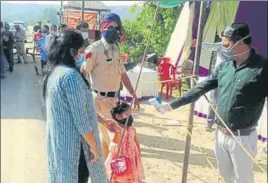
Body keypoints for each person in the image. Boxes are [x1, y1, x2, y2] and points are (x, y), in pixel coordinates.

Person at [157, 22, 268, 183]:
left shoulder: (263, 67)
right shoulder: (224, 66)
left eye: (226, 45)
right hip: (220, 135)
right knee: (224, 177)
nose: (223, 49)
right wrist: (171, 105)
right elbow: (201, 87)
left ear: (241, 42)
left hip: (242, 138)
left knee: (243, 180)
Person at [42, 30, 109, 183]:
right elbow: (81, 120)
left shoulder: (53, 72)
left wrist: (102, 120)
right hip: (75, 147)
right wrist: (93, 146)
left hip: (59, 143)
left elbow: (73, 108)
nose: (82, 56)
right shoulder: (71, 77)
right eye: (80, 52)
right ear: (71, 52)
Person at [80, 13, 140, 160]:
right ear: (103, 27)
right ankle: (114, 173)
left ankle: (107, 172)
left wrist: (133, 93)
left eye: (117, 27)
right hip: (100, 100)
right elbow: (83, 73)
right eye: (111, 27)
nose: (115, 30)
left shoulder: (116, 49)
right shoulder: (93, 49)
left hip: (114, 100)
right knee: (116, 137)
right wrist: (84, 98)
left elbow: (122, 74)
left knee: (106, 139)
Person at [105, 101, 145, 183]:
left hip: (132, 154)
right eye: (127, 114)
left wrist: (139, 153)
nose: (130, 116)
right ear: (118, 116)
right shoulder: (114, 129)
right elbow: (114, 142)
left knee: (130, 173)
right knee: (119, 173)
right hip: (120, 155)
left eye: (130, 114)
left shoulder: (132, 129)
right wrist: (118, 133)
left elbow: (135, 140)